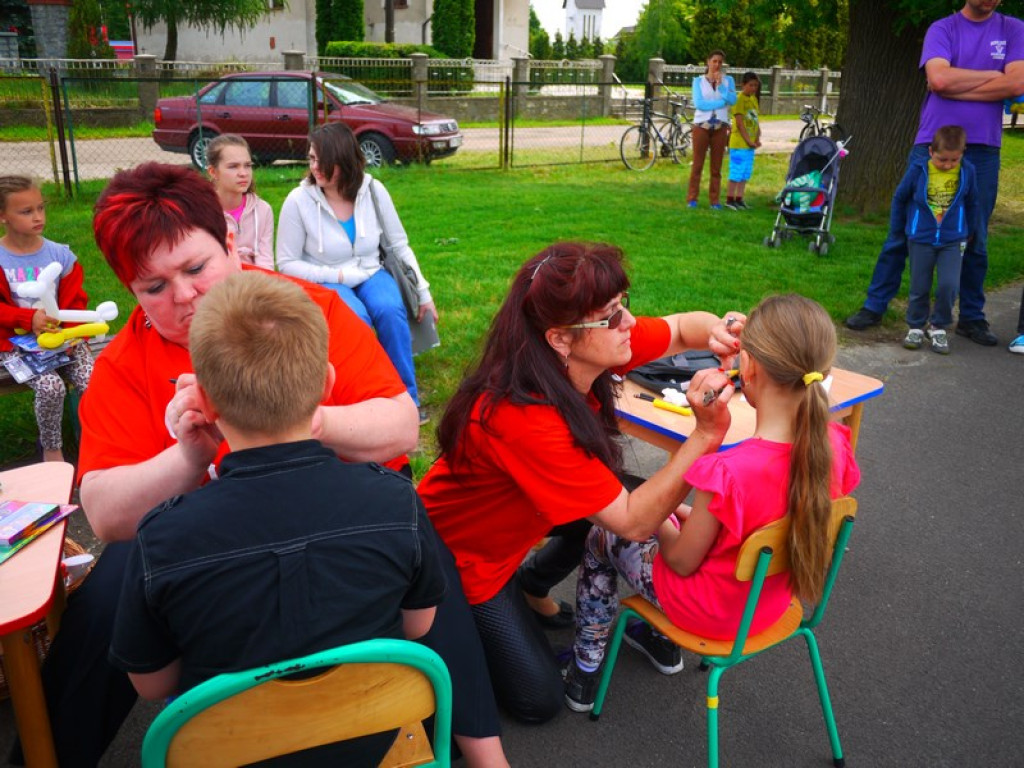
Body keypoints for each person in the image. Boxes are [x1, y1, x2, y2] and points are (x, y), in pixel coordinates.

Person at [21, 163, 506, 768]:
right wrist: (189, 456)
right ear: (130, 290)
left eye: (195, 268)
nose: (184, 296)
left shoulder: (303, 311)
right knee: (110, 595)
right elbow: (105, 514)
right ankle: (47, 754)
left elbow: (400, 424)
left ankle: (481, 747)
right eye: (154, 286)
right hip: (205, 533)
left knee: (419, 549)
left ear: (230, 241)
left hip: (334, 505)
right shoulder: (124, 365)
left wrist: (301, 418)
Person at [109, 271, 446, 765]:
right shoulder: (396, 503)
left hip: (225, 751)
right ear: (326, 385)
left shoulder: (162, 538)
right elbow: (417, 626)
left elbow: (152, 682)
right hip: (369, 740)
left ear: (204, 402)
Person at [417, 242, 744, 723]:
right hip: (463, 560)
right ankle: (485, 613)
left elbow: (679, 329)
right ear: (559, 339)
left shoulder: (585, 350)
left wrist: (719, 329)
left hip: (523, 516)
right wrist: (706, 434)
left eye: (622, 304)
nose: (627, 322)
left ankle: (532, 583)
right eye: (610, 316)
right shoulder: (523, 417)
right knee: (538, 701)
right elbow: (632, 523)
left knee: (630, 493)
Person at [564, 294, 861, 712]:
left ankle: (585, 667)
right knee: (669, 524)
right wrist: (680, 514)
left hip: (708, 612)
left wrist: (656, 515)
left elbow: (681, 561)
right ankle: (656, 642)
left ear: (748, 368)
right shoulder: (834, 445)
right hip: (768, 606)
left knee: (603, 535)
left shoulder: (729, 472)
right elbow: (755, 524)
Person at [844, 0, 1024, 346]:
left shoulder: (1013, 29)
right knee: (902, 230)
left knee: (975, 235)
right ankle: (875, 305)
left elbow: (1016, 85)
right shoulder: (943, 28)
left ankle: (971, 317)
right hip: (932, 145)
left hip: (983, 149)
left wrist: (960, 81)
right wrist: (993, 76)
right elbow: (939, 79)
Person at [276, 122, 436, 424]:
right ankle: (366, 398)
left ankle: (406, 400)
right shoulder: (298, 200)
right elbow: (286, 263)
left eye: (323, 160)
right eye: (312, 159)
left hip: (370, 271)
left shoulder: (373, 190)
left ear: (345, 160)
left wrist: (423, 293)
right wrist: (336, 277)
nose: (315, 167)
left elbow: (399, 245)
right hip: (326, 279)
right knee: (355, 319)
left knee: (390, 310)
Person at [0, 174, 93, 463]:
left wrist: (71, 336)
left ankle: (97, 441)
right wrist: (28, 319)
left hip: (64, 339)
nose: (38, 216)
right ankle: (52, 449)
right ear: (3, 216)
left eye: (41, 207)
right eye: (26, 211)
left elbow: (76, 302)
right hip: (15, 345)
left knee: (93, 381)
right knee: (51, 387)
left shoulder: (60, 256)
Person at [897, 125, 978, 355]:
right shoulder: (918, 169)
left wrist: (969, 230)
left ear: (962, 154)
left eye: (954, 160)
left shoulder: (967, 171)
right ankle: (915, 326)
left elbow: (972, 203)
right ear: (931, 152)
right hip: (921, 238)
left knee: (948, 285)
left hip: (953, 239)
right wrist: (901, 227)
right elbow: (900, 197)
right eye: (942, 159)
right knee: (919, 286)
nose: (948, 165)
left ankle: (938, 326)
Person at [206, 133, 275, 270]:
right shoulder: (200, 213)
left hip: (254, 280)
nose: (243, 173)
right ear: (213, 172)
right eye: (233, 166)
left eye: (247, 165)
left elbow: (266, 262)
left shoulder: (263, 210)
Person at [687, 50, 737, 210]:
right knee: (697, 164)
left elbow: (732, 100)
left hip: (720, 127)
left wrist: (721, 87)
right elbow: (700, 104)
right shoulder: (698, 81)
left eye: (720, 62)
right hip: (701, 126)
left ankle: (714, 200)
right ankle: (692, 198)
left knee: (716, 167)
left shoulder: (728, 81)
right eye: (714, 61)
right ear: (708, 62)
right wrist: (721, 103)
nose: (717, 64)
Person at [725, 72, 762, 211]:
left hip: (749, 145)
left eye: (755, 86)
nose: (753, 88)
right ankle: (730, 199)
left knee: (745, 172)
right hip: (739, 144)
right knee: (736, 171)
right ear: (743, 85)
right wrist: (748, 140)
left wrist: (757, 137)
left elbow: (755, 120)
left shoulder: (753, 99)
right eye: (751, 85)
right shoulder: (739, 99)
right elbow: (740, 123)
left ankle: (739, 199)